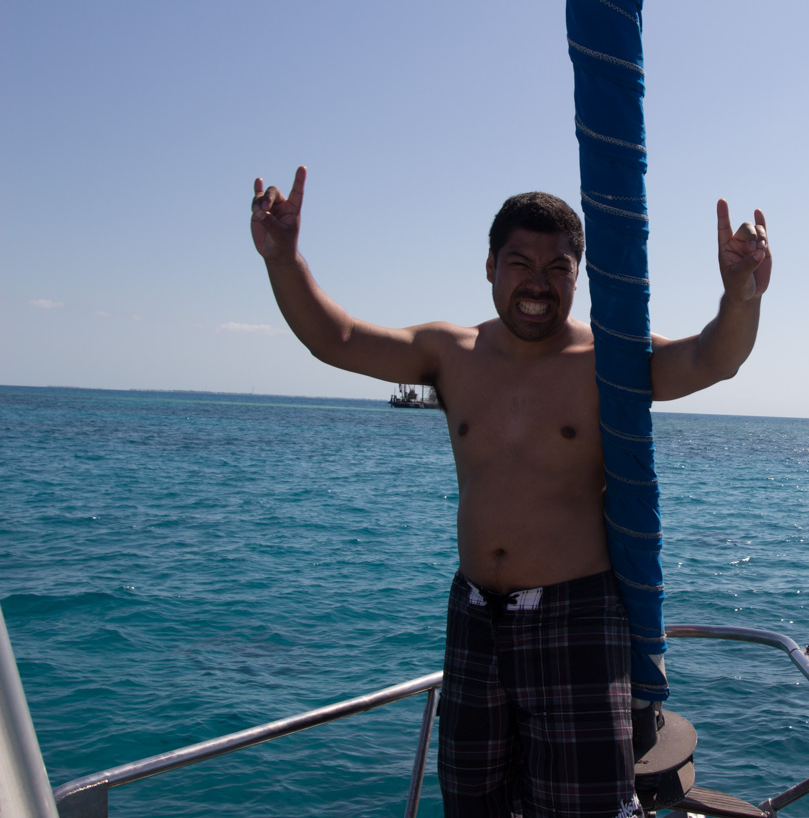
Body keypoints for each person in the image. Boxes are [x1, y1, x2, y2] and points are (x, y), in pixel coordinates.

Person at [250, 166, 771, 818]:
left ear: (578, 276)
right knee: (473, 804)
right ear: (491, 265)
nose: (537, 282)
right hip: (475, 618)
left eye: (558, 267)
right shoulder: (451, 351)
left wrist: (741, 294)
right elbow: (338, 338)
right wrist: (284, 258)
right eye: (520, 262)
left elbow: (710, 359)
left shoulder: (609, 358)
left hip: (577, 619)